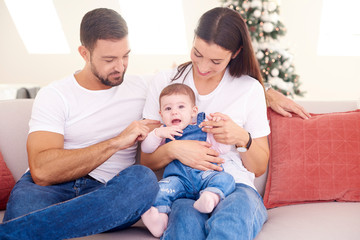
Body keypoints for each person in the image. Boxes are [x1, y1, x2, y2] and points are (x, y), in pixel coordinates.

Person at [0, 8, 160, 240]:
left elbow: (193, 79)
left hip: (107, 190)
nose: (120, 66)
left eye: (125, 55)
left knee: (143, 181)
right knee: (26, 209)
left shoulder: (143, 88)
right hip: (49, 188)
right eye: (109, 59)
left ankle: (16, 234)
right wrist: (116, 143)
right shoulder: (55, 94)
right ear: (84, 53)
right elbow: (43, 171)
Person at [141, 7, 274, 240]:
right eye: (197, 53)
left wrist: (241, 138)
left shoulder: (249, 89)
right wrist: (174, 149)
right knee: (184, 227)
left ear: (235, 53)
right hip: (183, 187)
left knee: (231, 223)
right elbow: (147, 160)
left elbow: (259, 166)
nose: (202, 67)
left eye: (215, 60)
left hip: (235, 185)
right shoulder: (165, 82)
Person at [141, 83, 235, 237]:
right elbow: (146, 149)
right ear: (161, 114)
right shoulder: (165, 132)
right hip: (178, 181)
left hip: (205, 176)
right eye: (168, 109)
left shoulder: (203, 127)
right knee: (160, 189)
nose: (174, 112)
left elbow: (223, 149)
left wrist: (217, 129)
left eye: (181, 107)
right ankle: (160, 220)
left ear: (194, 111)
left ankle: (210, 197)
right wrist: (157, 133)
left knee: (226, 179)